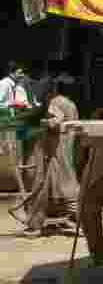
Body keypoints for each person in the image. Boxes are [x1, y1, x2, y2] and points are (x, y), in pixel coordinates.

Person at [10, 74, 81, 235]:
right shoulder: (71, 104)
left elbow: (55, 122)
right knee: (58, 187)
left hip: (54, 152)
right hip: (65, 150)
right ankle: (60, 220)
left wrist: (41, 123)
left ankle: (37, 224)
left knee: (47, 187)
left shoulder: (56, 102)